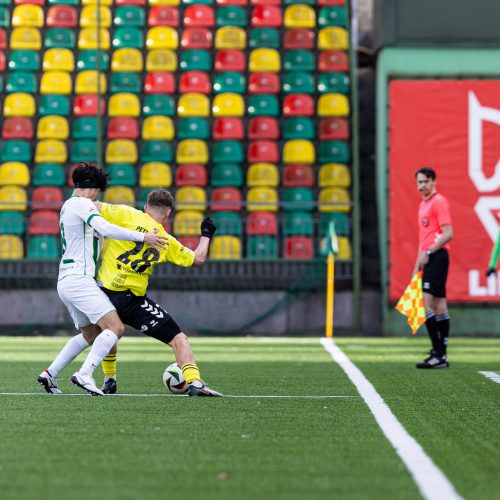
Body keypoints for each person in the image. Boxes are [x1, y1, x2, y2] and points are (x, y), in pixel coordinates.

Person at [37, 164, 168, 396]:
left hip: (67, 279)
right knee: (115, 327)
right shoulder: (82, 204)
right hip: (79, 279)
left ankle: (50, 374)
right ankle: (84, 374)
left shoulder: (68, 205)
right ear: (93, 188)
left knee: (90, 334)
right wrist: (143, 237)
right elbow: (105, 228)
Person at [93, 188, 222, 397]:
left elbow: (90, 205)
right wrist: (206, 234)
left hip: (105, 294)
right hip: (134, 302)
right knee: (179, 339)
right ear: (168, 214)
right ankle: (195, 383)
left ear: (145, 207)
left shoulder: (125, 213)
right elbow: (198, 259)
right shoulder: (166, 240)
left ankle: (109, 380)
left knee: (108, 334)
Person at [412, 167, 453, 369]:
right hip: (429, 258)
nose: (422, 186)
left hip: (437, 256)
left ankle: (438, 354)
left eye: (425, 181)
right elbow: (423, 241)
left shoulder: (439, 202)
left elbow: (448, 233)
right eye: (419, 182)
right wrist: (417, 264)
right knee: (439, 306)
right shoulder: (423, 205)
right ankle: (441, 355)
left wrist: (428, 254)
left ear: (433, 181)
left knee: (424, 304)